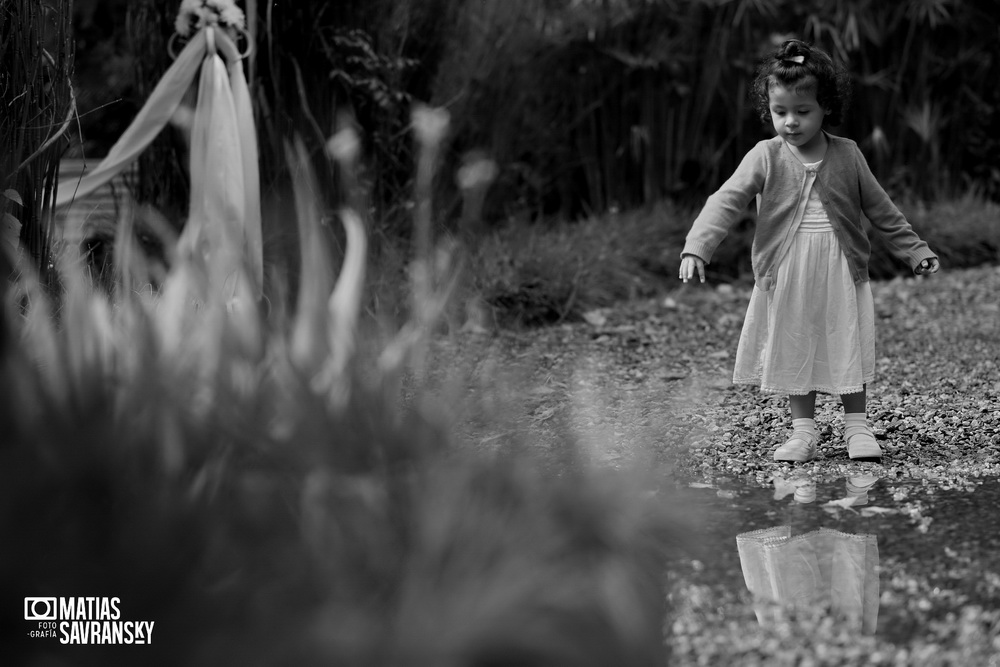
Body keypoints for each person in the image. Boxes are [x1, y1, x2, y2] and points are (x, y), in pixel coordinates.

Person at [678, 39, 939, 462]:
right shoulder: (765, 155)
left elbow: (881, 209)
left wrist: (914, 249)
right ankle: (803, 432)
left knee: (845, 339)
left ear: (826, 108)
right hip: (787, 268)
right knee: (795, 342)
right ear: (768, 109)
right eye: (780, 112)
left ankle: (857, 427)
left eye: (803, 111)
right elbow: (726, 200)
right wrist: (698, 247)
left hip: (841, 265)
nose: (791, 123)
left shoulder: (848, 154)